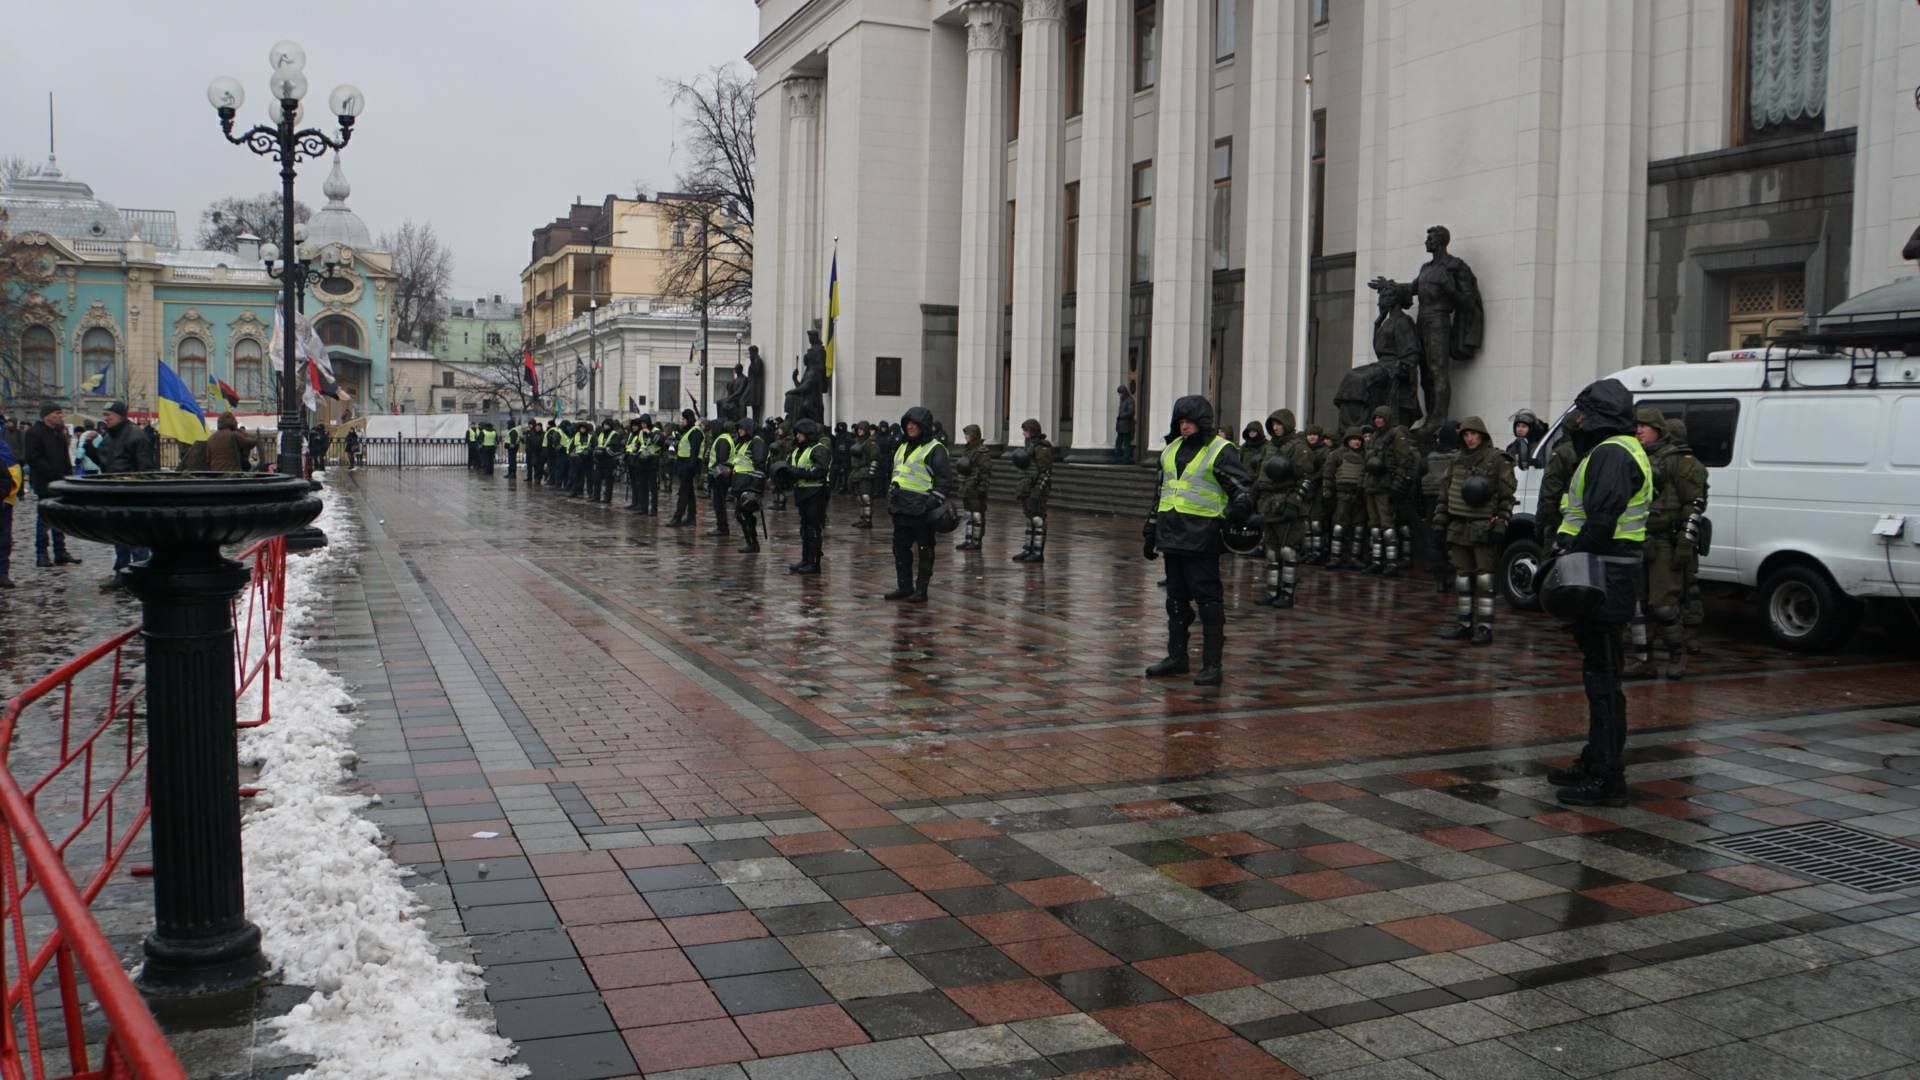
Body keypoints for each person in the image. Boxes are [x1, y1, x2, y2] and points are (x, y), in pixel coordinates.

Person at [1546, 378, 1651, 809]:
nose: (1579, 420)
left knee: (1604, 682)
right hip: (1609, 576)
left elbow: (1601, 520)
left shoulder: (1611, 453)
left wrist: (1567, 559)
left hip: (1604, 579)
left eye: (1585, 412)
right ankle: (1594, 761)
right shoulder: (1615, 450)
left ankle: (1608, 780)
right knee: (1600, 677)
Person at [1141, 395, 1255, 686]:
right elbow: (1161, 493)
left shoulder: (1220, 450)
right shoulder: (1170, 450)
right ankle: (1177, 658)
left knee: (1209, 602)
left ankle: (1212, 664)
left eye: (1189, 421)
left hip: (1202, 538)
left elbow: (1243, 489)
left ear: (1201, 422)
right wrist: (1150, 530)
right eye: (1180, 420)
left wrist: (1232, 514)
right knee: (1175, 601)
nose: (1184, 426)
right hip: (1172, 534)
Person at [1632, 406, 1708, 680]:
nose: (1639, 430)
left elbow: (1694, 504)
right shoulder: (1635, 457)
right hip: (1638, 539)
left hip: (1666, 542)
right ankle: (1645, 660)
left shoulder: (1678, 461)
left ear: (1659, 429)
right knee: (1639, 606)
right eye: (1637, 425)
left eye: (1645, 425)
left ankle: (1678, 653)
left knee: (1663, 604)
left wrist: (1685, 544)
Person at [1431, 416, 1516, 645]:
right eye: (1466, 435)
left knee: (1485, 578)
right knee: (1462, 577)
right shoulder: (1456, 460)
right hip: (1458, 525)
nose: (1470, 439)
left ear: (1482, 435)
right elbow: (1445, 493)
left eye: (1473, 434)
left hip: (1483, 525)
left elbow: (1506, 496)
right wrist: (1440, 521)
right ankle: (1464, 624)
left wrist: (1500, 523)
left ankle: (1485, 627)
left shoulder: (1497, 460)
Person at [884, 406, 956, 602]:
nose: (911, 427)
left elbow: (944, 480)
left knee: (924, 550)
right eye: (908, 424)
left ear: (923, 426)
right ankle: (904, 586)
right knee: (900, 550)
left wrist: (932, 503)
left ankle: (921, 589)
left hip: (922, 509)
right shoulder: (901, 446)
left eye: (915, 424)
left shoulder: (935, 449)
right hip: (901, 508)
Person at [90, 402, 158, 585]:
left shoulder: (136, 436)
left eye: (109, 415)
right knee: (119, 537)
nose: (106, 418)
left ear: (120, 416)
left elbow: (146, 468)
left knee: (137, 537)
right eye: (105, 415)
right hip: (114, 493)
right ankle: (121, 572)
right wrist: (90, 450)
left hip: (132, 495)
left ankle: (141, 573)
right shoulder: (109, 437)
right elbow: (105, 463)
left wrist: (137, 485)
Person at [1256, 409, 1312, 608]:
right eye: (1273, 424)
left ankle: (1287, 593)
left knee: (1288, 550)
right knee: (1271, 551)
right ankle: (1272, 591)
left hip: (1287, 502)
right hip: (1269, 503)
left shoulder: (1298, 447)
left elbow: (1306, 478)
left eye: (1279, 424)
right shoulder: (1269, 446)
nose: (1276, 428)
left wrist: (1294, 503)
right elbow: (1260, 476)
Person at [1667, 417, 1709, 658]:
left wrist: (1684, 539)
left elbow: (1693, 504)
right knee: (1687, 584)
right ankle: (1689, 636)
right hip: (1687, 532)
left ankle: (1687, 636)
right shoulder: (1690, 463)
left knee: (1684, 586)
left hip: (1681, 534)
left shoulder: (1685, 465)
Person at [1362, 406, 1418, 575]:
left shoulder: (1395, 436)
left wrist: (1396, 483)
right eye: (1376, 418)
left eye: (1381, 418)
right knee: (1374, 525)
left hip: (1385, 485)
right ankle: (1377, 560)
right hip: (1371, 484)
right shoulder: (1374, 437)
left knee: (1386, 524)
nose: (1378, 421)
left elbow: (1404, 460)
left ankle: (1392, 562)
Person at [22, 404, 78, 569]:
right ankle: (42, 553)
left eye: (61, 413)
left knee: (59, 517)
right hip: (44, 482)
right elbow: (33, 458)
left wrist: (68, 476)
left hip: (61, 482)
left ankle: (60, 551)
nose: (60, 416)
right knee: (45, 518)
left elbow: (65, 457)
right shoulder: (34, 433)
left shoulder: (59, 434)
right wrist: (52, 472)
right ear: (46, 416)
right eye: (57, 413)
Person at [782, 418, 831, 573]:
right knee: (805, 528)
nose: (798, 437)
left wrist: (799, 473)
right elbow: (790, 467)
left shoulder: (818, 449)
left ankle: (814, 563)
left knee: (813, 528)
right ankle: (805, 559)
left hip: (816, 493)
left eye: (800, 434)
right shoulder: (797, 450)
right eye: (797, 433)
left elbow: (821, 470)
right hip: (802, 493)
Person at [1323, 428, 1368, 569]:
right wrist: (1327, 490)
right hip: (1342, 495)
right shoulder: (1337, 455)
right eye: (1353, 439)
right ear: (1347, 440)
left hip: (1359, 496)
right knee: (1339, 526)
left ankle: (1354, 558)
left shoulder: (1366, 455)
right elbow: (1328, 474)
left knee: (1358, 527)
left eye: (1359, 439)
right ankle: (1335, 557)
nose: (1356, 442)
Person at [1011, 418, 1055, 563]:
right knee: (1030, 520)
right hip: (1026, 487)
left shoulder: (1042, 448)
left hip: (1036, 489)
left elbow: (1045, 472)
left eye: (1026, 431)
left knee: (1038, 520)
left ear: (1032, 432)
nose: (1024, 434)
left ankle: (1037, 552)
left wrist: (1038, 491)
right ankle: (1027, 549)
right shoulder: (1029, 446)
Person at [728, 415, 768, 552]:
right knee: (741, 514)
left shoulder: (756, 442)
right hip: (739, 484)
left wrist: (754, 489)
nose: (739, 431)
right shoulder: (742, 443)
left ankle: (752, 542)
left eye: (742, 429)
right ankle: (750, 541)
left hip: (749, 485)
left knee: (744, 513)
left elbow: (760, 465)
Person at [954, 423, 993, 551]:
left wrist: (982, 487)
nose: (966, 437)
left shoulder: (982, 451)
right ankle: (968, 539)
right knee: (969, 514)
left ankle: (976, 541)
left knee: (977, 515)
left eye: (968, 434)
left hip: (976, 487)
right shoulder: (967, 449)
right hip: (966, 486)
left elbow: (985, 471)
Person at [668, 410, 704, 526]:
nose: (681, 421)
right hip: (684, 465)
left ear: (688, 419)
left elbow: (694, 451)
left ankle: (677, 517)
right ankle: (691, 518)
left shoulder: (695, 432)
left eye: (683, 419)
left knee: (683, 493)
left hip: (689, 466)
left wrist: (690, 466)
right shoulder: (688, 431)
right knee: (689, 493)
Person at [1302, 425, 1331, 564]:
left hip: (1319, 490)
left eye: (1314, 434)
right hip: (1305, 490)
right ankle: (1308, 552)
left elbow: (1326, 470)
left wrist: (1313, 479)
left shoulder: (1325, 452)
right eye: (1309, 434)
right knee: (1306, 523)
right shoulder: (1303, 450)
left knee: (1316, 523)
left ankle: (1318, 552)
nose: (1312, 437)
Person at [706, 420, 736, 536]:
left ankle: (722, 528)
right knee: (719, 502)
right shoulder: (725, 438)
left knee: (719, 503)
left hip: (720, 476)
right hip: (722, 475)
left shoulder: (722, 439)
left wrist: (713, 474)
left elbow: (721, 460)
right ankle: (722, 527)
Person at [0, 414, 20, 588]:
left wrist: (5, 496)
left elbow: (13, 475)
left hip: (3, 501)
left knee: (3, 538)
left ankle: (2, 573)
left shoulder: (4, 448)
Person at [848, 421, 878, 529]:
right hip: (857, 471)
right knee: (859, 497)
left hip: (865, 471)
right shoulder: (857, 441)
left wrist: (871, 472)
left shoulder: (870, 442)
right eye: (858, 429)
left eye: (862, 429)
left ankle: (868, 520)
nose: (860, 431)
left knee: (866, 497)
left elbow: (874, 458)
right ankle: (862, 518)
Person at [1114, 385, 1136, 464]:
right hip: (1121, 426)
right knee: (1118, 443)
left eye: (1120, 393)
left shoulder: (1130, 400)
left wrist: (1121, 415)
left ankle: (1126, 459)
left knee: (1126, 443)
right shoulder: (1122, 400)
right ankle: (1118, 458)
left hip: (1126, 426)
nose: (1120, 395)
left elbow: (1131, 412)